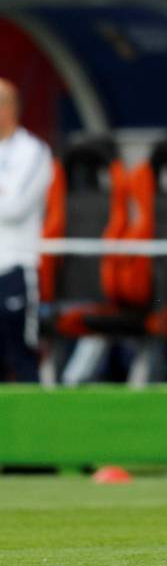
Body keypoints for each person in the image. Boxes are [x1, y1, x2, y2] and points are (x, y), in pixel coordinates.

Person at [0, 78, 52, 383]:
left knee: (19, 357)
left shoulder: (31, 151)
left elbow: (14, 207)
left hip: (14, 268)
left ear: (9, 109)